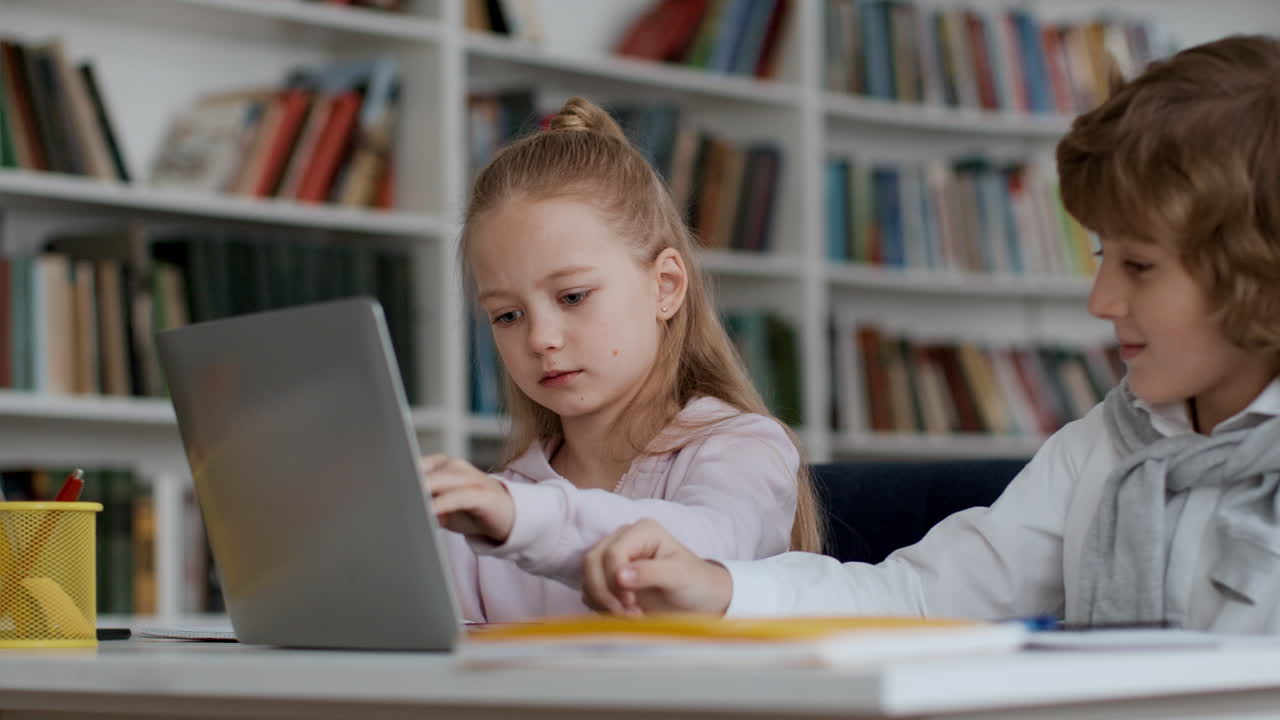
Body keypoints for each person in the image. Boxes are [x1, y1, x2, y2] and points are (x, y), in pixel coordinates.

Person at [581, 34, 1280, 633]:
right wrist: (721, 588)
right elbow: (917, 598)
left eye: (1139, 266)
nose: (1101, 299)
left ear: (1261, 278)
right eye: (1103, 257)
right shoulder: (1104, 448)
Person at [421, 96, 823, 622]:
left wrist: (519, 518)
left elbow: (701, 551)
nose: (540, 338)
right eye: (507, 315)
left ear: (666, 287)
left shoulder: (742, 450)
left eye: (572, 297)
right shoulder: (502, 499)